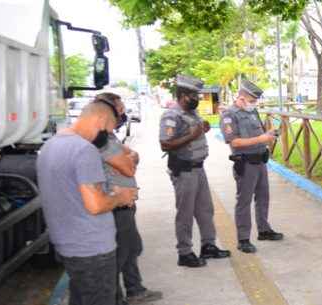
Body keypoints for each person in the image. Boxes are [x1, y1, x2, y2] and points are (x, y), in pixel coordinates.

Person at [37, 102, 139, 305]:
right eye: (108, 129)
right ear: (100, 120)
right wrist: (121, 196)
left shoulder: (50, 145)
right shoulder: (85, 150)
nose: (106, 135)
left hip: (68, 244)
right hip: (93, 249)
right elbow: (96, 205)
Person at [93, 93, 163, 304]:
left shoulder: (110, 135)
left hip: (126, 203)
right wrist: (129, 159)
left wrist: (129, 158)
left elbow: (133, 156)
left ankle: (135, 290)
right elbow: (129, 165)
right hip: (116, 204)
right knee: (120, 252)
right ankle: (115, 297)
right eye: (120, 111)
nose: (123, 114)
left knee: (131, 248)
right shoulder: (100, 137)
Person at [160, 75, 230, 268]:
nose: (196, 98)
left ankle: (208, 245)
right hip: (184, 170)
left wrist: (202, 128)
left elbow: (195, 132)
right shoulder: (171, 116)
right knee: (185, 213)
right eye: (193, 95)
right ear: (182, 96)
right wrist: (193, 135)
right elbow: (165, 144)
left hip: (198, 168)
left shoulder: (192, 112)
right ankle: (184, 252)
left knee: (205, 210)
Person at [220, 80, 283, 254]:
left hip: (260, 161)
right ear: (241, 98)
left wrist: (269, 135)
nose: (254, 104)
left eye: (255, 101)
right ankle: (243, 239)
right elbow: (234, 141)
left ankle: (264, 230)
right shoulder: (229, 115)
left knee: (263, 197)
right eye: (252, 100)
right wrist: (261, 140)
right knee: (244, 201)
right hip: (245, 163)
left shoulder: (252, 111)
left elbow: (259, 133)